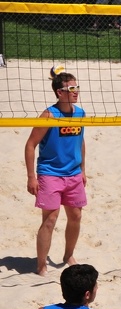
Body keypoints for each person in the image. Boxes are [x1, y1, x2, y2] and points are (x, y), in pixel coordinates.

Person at [25, 72, 87, 277]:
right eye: (71, 89)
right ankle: (41, 265)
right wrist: (31, 176)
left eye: (77, 88)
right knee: (50, 219)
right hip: (50, 173)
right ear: (60, 93)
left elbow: (81, 141)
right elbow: (31, 144)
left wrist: (83, 170)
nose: (76, 92)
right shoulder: (49, 115)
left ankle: (68, 255)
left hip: (73, 173)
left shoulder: (79, 114)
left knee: (76, 216)